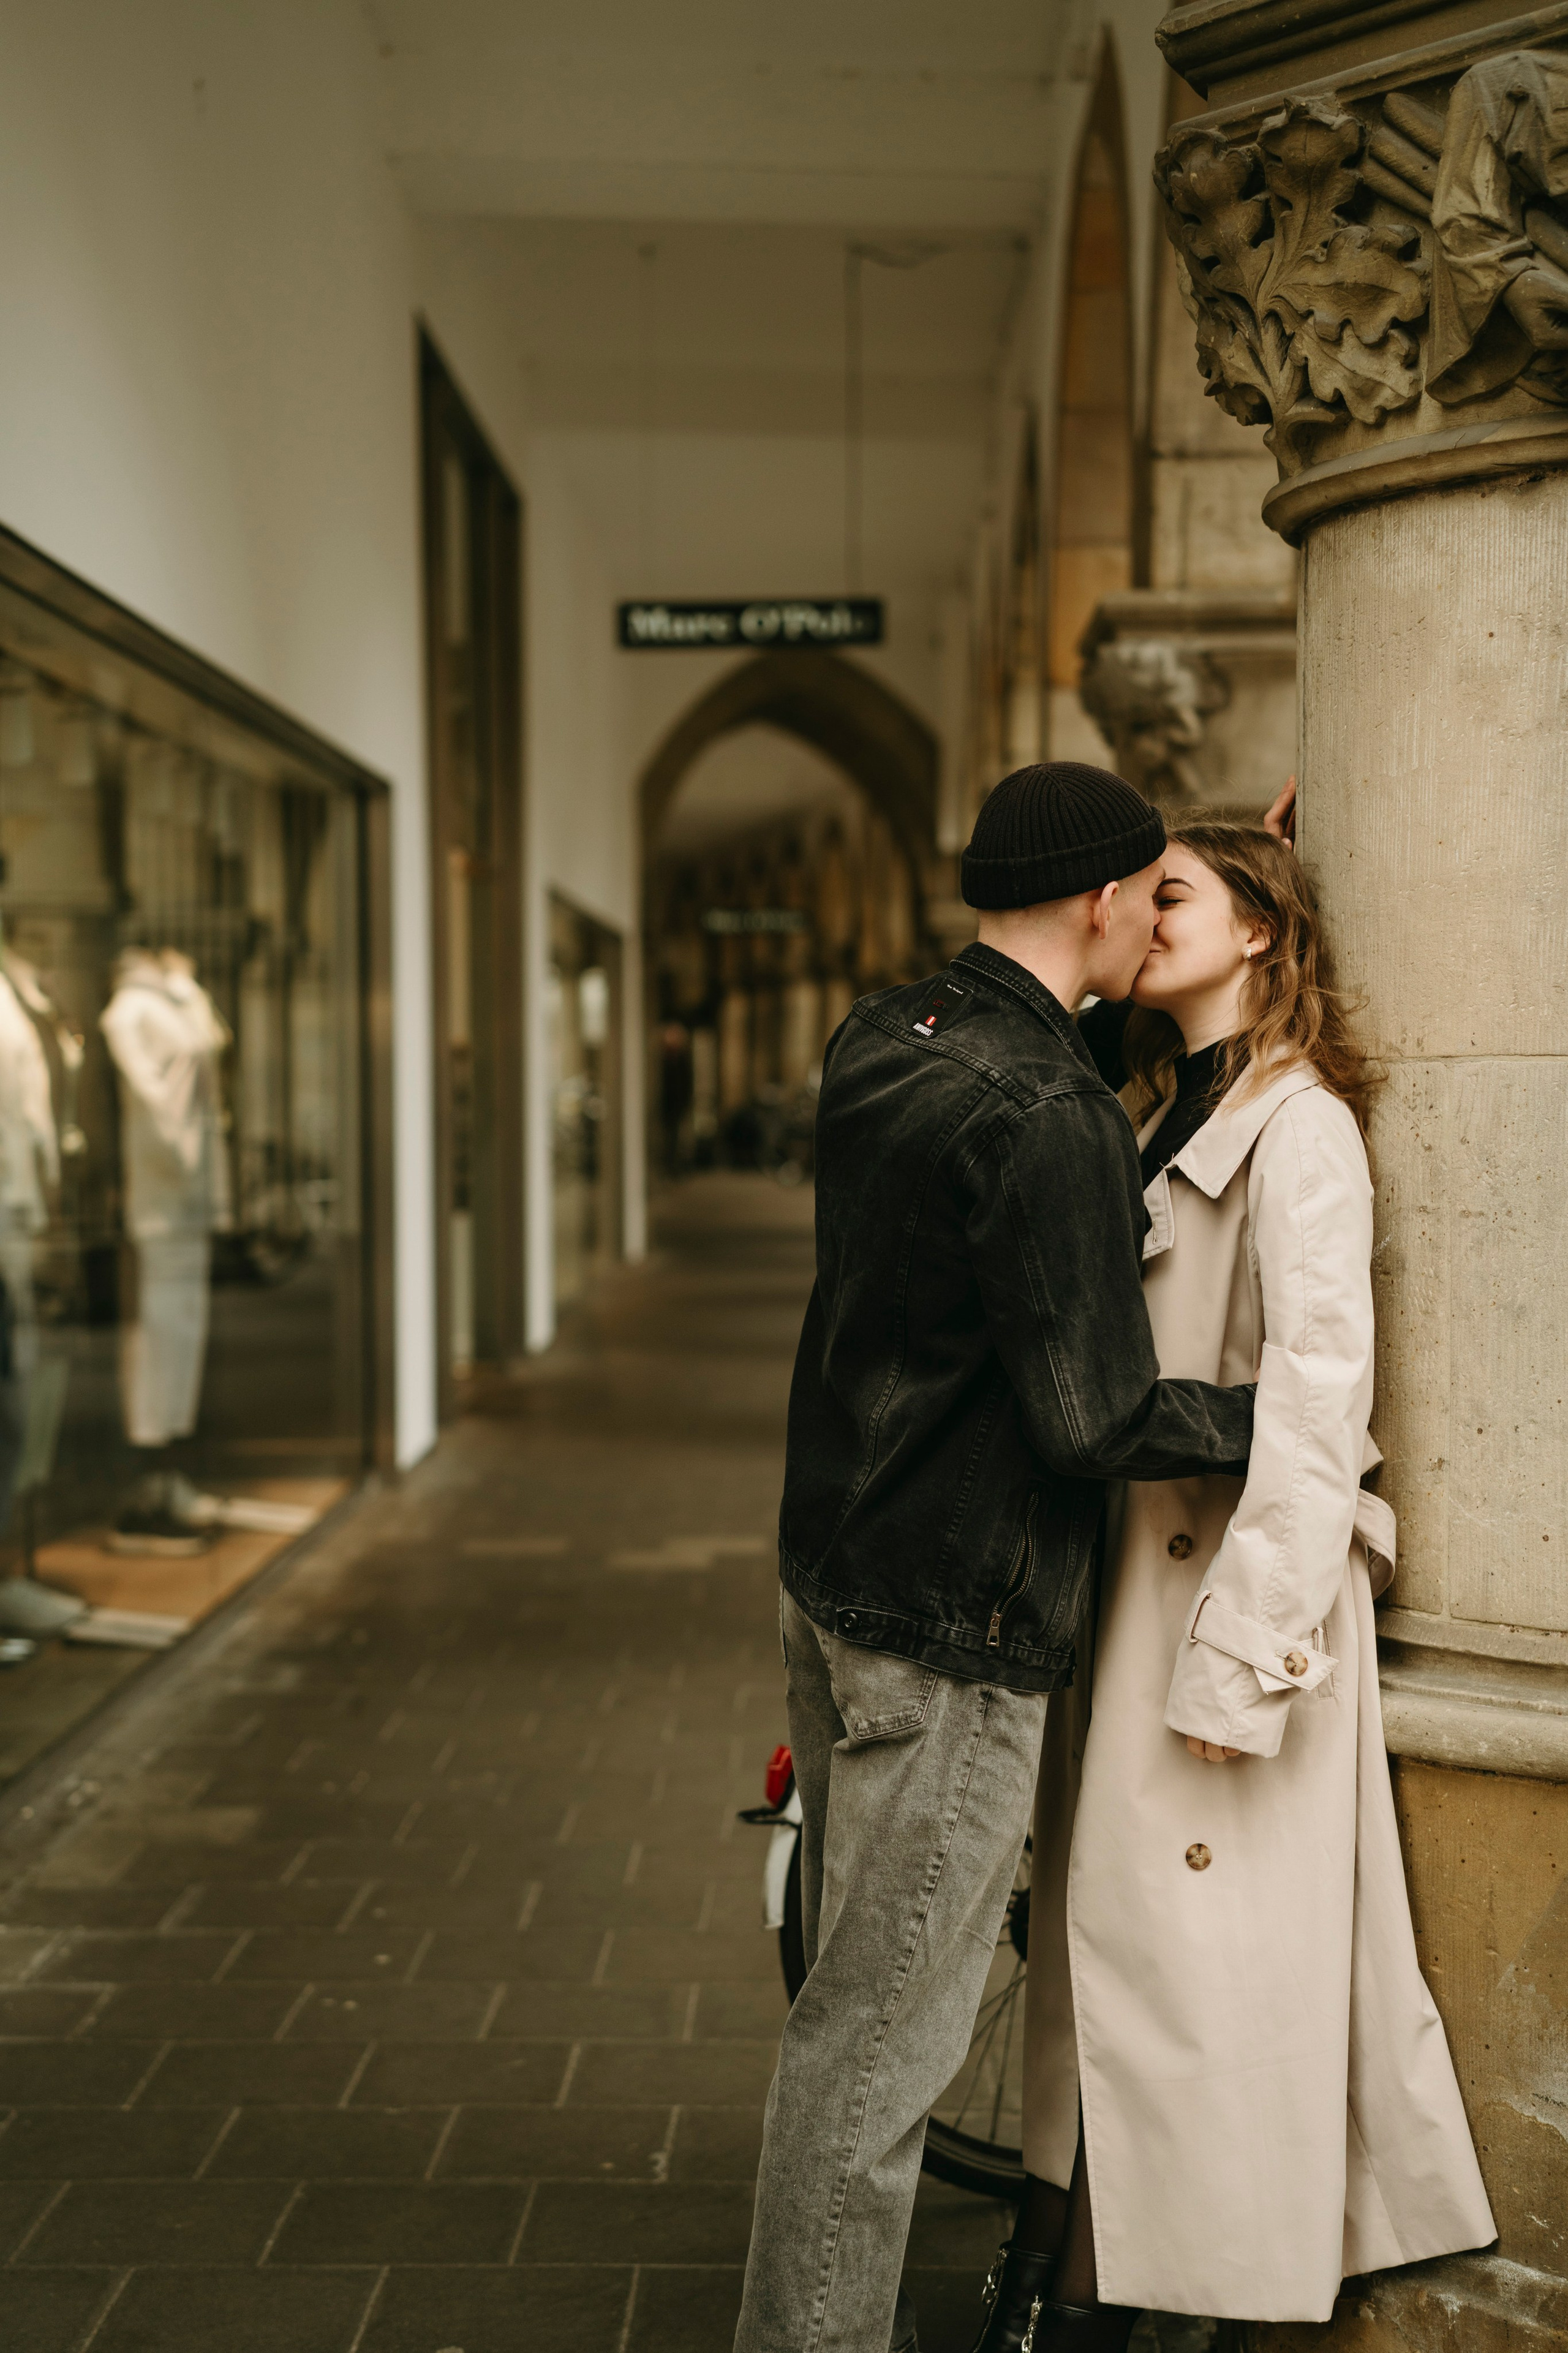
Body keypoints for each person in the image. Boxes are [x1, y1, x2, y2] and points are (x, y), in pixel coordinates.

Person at [734, 763, 1261, 2353]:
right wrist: (1277, 1416)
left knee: (846, 2015)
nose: (1153, 922)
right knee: (879, 2052)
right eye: (1147, 892)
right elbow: (1095, 1416)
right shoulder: (1053, 1120)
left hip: (833, 1583)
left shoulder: (887, 1035)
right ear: (1103, 902)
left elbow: (1039, 1064)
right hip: (952, 1634)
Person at [973, 820, 1494, 2353]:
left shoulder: (1298, 1126)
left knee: (1195, 1993)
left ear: (1259, 932)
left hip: (1225, 1609)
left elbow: (1320, 1404)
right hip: (1137, 1588)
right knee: (1122, 1978)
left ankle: (1116, 2306)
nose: (1138, 917)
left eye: (1174, 894)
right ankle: (1084, 2283)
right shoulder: (1150, 1109)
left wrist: (1244, 1655)